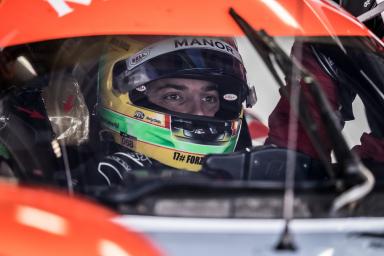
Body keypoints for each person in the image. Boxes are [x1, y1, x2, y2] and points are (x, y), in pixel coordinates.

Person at [90, 36, 256, 186]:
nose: (199, 112)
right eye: (174, 96)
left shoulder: (247, 171)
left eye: (209, 98)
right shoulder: (83, 181)